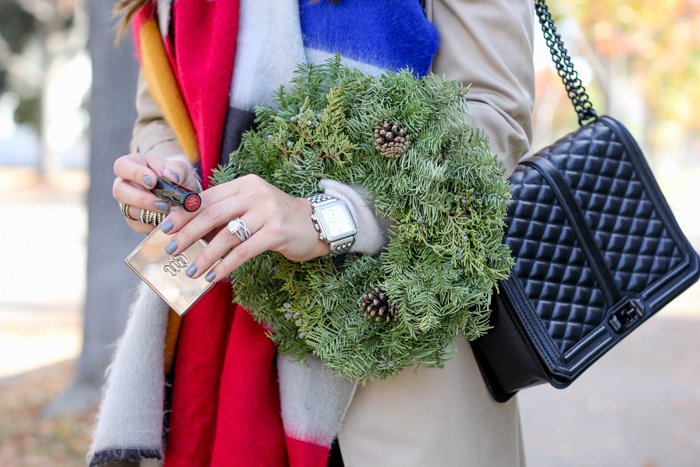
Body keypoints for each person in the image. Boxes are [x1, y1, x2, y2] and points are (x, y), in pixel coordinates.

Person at [102, 0, 535, 465]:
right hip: (207, 334)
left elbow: (494, 119)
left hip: (384, 346)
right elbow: (162, 118)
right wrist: (169, 181)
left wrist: (330, 215)